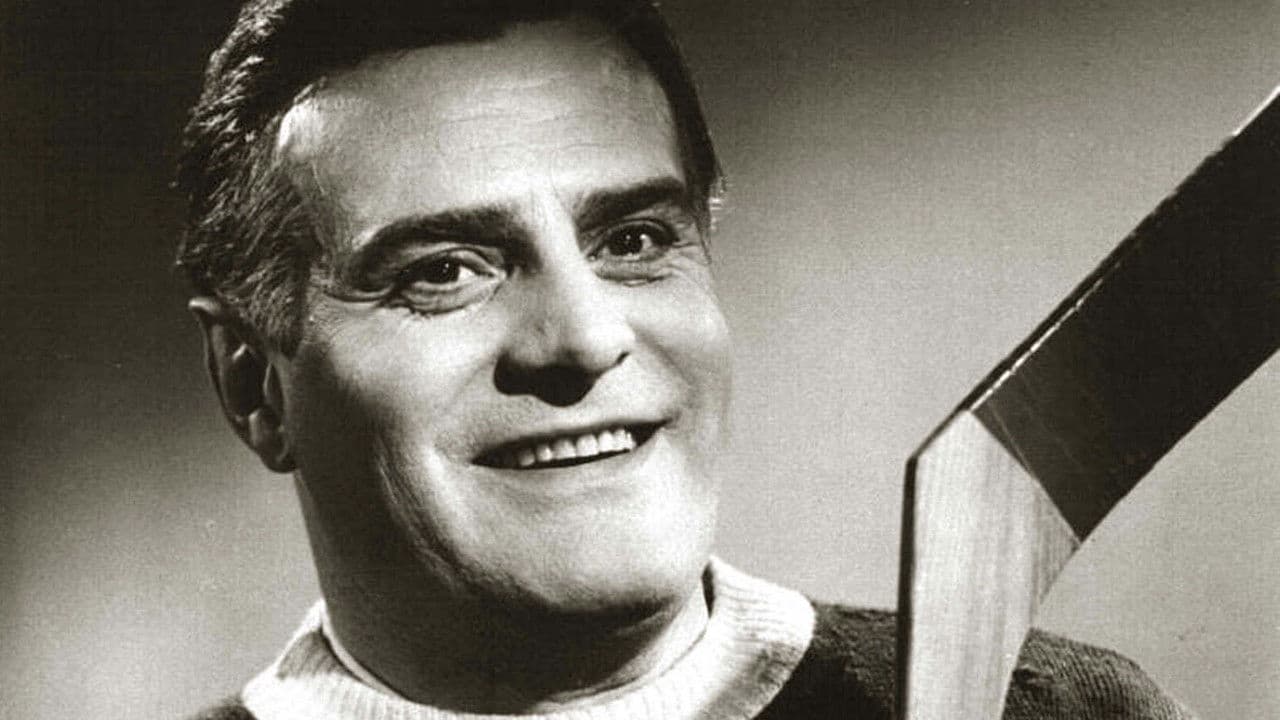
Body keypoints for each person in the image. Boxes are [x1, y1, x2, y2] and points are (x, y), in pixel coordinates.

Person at [178, 1, 1193, 718]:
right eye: (443, 271)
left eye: (633, 240)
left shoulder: (1064, 714)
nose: (585, 339)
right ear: (252, 385)